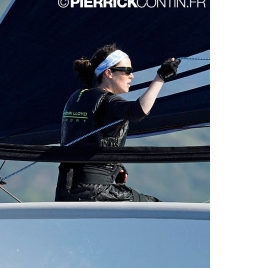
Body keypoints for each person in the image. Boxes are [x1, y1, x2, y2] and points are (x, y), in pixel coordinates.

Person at [56, 43, 180, 202]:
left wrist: (115, 166)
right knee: (157, 207)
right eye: (127, 70)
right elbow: (138, 111)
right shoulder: (109, 102)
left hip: (65, 192)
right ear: (108, 73)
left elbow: (87, 141)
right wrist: (161, 77)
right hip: (96, 192)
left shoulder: (76, 97)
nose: (132, 76)